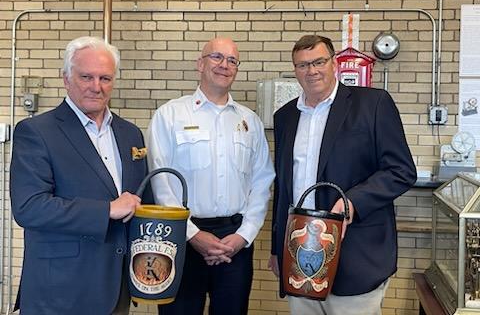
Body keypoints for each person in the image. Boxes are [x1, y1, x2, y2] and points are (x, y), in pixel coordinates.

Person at [269, 35, 417, 315]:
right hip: (300, 258)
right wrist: (278, 249)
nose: (311, 71)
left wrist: (353, 202)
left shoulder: (372, 104)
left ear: (334, 63)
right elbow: (283, 187)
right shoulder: (285, 116)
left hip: (356, 256)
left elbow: (401, 170)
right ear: (295, 70)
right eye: (302, 65)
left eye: (319, 62)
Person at [10, 36, 152, 315]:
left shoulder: (130, 133)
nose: (96, 87)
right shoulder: (36, 131)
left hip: (116, 290)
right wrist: (107, 209)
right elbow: (29, 208)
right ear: (66, 78)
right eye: (86, 77)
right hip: (60, 291)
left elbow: (139, 201)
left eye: (105, 78)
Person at [147, 37, 275, 315]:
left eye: (232, 60)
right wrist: (192, 234)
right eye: (217, 57)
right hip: (181, 238)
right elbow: (161, 181)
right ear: (200, 64)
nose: (224, 65)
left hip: (235, 244)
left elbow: (262, 182)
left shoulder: (250, 121)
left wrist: (244, 235)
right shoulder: (170, 115)